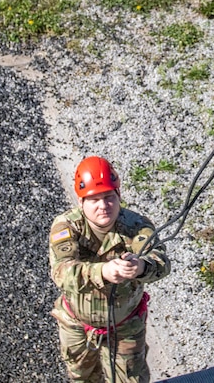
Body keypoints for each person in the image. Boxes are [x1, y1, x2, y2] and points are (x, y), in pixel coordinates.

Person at [48, 156, 170, 382]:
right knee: (82, 377)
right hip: (78, 323)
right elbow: (62, 272)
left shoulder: (136, 226)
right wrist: (102, 272)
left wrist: (141, 266)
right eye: (94, 199)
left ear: (119, 196)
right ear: (81, 201)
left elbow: (162, 263)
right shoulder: (66, 227)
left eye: (108, 198)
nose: (103, 206)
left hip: (125, 326)